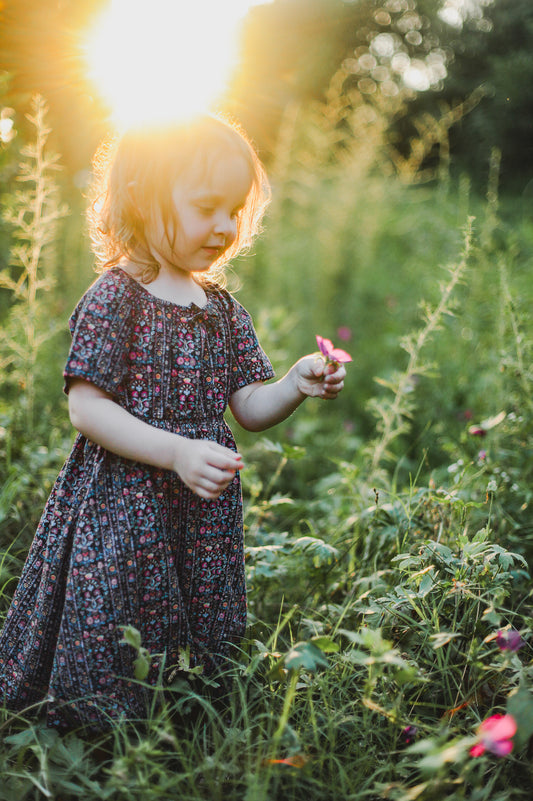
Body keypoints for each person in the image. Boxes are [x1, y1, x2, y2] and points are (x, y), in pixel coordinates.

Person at [0, 115, 346, 732]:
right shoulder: (116, 297)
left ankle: (189, 715)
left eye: (235, 210)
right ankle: (99, 730)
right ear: (143, 197)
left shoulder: (222, 310)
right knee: (116, 613)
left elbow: (246, 407)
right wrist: (175, 452)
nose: (224, 226)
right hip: (122, 501)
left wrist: (293, 383)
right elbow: (87, 408)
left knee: (197, 610)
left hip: (199, 506)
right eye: (206, 206)